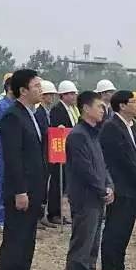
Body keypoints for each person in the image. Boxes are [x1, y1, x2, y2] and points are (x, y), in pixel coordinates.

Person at [0, 69, 46, 270]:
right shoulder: (12, 116)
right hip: (21, 192)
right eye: (36, 86)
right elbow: (14, 158)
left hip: (34, 190)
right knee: (14, 245)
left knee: (26, 246)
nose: (41, 90)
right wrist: (20, 191)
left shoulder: (32, 115)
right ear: (23, 90)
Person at [63, 91, 113, 270]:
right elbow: (84, 169)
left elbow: (102, 165)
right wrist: (101, 189)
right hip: (85, 198)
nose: (103, 110)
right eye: (99, 106)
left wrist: (109, 185)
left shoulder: (94, 134)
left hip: (97, 197)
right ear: (85, 108)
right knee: (82, 245)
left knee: (93, 246)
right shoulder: (78, 135)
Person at [99, 90, 136, 270]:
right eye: (134, 102)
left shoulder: (131, 125)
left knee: (125, 230)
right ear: (122, 105)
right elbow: (121, 157)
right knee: (115, 230)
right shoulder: (112, 126)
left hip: (131, 186)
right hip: (119, 185)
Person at [47, 79, 79, 225]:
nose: (73, 96)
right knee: (57, 183)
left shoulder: (73, 109)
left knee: (64, 182)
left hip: (69, 151)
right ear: (63, 95)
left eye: (74, 93)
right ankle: (53, 213)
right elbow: (56, 130)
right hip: (59, 151)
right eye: (70, 94)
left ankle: (59, 212)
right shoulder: (57, 110)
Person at [0, 75, 16, 230]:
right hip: (4, 152)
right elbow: (1, 133)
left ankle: (8, 216)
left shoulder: (16, 105)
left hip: (15, 152)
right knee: (1, 185)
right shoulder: (1, 106)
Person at [34, 80, 57, 229]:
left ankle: (42, 215)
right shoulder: (39, 113)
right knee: (40, 185)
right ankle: (37, 216)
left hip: (48, 153)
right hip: (41, 153)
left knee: (45, 185)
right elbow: (42, 132)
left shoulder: (47, 112)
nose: (52, 98)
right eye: (49, 95)